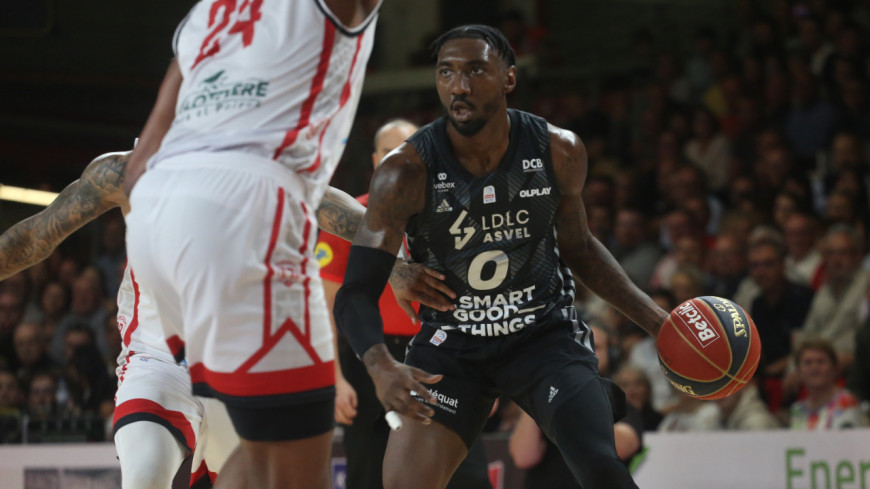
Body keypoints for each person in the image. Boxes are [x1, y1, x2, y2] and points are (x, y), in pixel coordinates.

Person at [334, 25, 668, 489]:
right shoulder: (405, 171)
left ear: (509, 78)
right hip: (453, 346)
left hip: (543, 337)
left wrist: (660, 324)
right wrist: (379, 365)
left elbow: (582, 250)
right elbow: (354, 292)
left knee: (599, 466)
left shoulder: (558, 150)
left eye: (475, 70)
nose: (459, 85)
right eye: (446, 72)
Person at [0, 147, 404, 486]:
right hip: (158, 360)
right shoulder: (130, 172)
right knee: (144, 477)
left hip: (242, 368)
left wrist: (402, 268)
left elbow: (353, 217)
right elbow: (36, 236)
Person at [123, 1, 382, 487]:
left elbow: (139, 165)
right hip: (246, 209)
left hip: (156, 213)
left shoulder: (208, 10)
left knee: (260, 449)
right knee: (293, 467)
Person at [319, 119, 491, 489]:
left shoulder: (451, 211)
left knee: (465, 473)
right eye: (389, 152)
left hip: (442, 353)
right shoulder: (350, 214)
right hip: (369, 357)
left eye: (407, 150)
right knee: (368, 471)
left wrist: (487, 373)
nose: (398, 159)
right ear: (375, 160)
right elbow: (326, 304)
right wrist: (335, 378)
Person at [509, 324, 643, 489]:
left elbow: (621, 448)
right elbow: (523, 457)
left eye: (595, 346)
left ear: (610, 355)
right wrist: (539, 389)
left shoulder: (620, 404)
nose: (585, 350)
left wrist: (579, 394)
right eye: (577, 344)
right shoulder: (542, 398)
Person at [790, 338, 868, 430]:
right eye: (808, 363)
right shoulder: (797, 410)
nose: (814, 367)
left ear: (834, 368)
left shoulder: (847, 402)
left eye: (821, 362)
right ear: (798, 370)